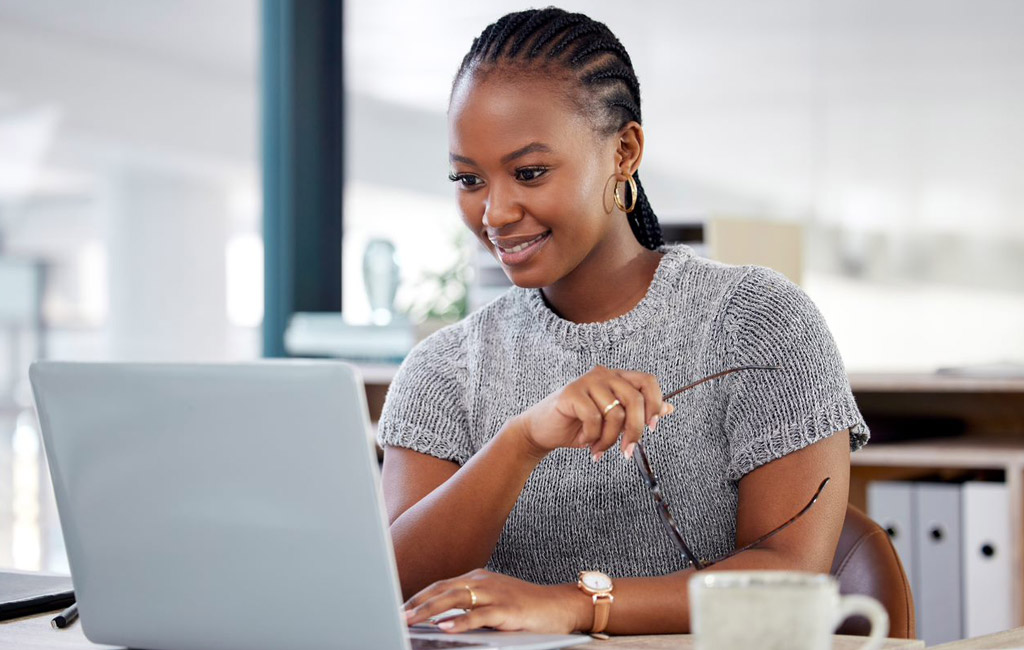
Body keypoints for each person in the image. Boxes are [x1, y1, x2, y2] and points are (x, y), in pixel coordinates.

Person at [377, 7, 868, 637]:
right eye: (468, 179)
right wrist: (521, 442)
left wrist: (576, 605)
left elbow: (791, 579)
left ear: (624, 151)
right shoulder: (442, 369)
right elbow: (399, 590)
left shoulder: (757, 322)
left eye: (529, 172)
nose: (495, 212)